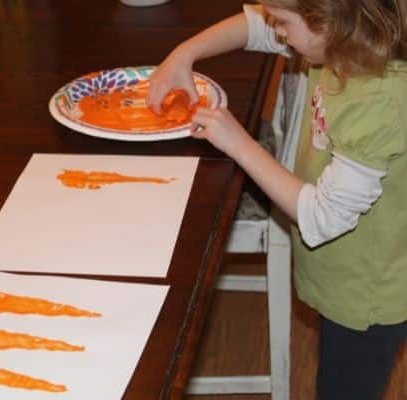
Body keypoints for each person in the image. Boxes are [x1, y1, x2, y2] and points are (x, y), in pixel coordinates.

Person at [147, 1, 407, 399]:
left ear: (331, 22)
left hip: (366, 296)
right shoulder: (344, 41)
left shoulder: (379, 101)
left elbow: (322, 218)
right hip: (346, 274)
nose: (279, 32)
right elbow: (256, 25)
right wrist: (184, 54)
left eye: (285, 23)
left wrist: (238, 142)